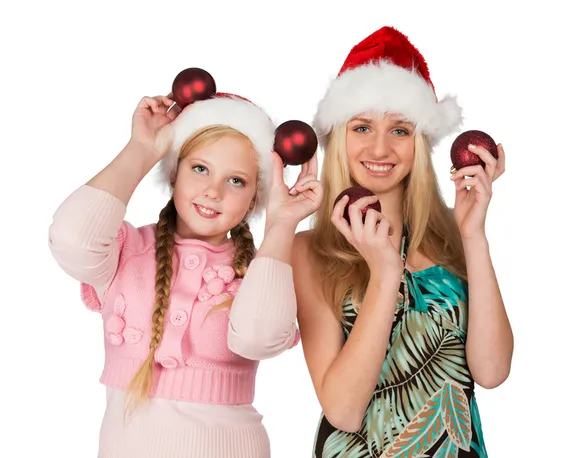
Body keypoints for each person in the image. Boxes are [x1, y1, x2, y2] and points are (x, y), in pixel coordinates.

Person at [48, 88, 322, 457]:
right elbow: (70, 239)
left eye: (236, 180)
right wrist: (141, 150)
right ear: (174, 174)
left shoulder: (259, 274)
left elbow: (261, 337)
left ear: (254, 198)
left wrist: (281, 225)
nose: (213, 191)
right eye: (200, 168)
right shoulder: (128, 251)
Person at [292, 26, 513, 457]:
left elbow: (491, 371)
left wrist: (473, 235)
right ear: (338, 136)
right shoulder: (310, 250)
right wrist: (385, 271)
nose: (380, 148)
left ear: (420, 142)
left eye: (399, 130)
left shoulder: (452, 234)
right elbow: (342, 409)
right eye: (362, 127)